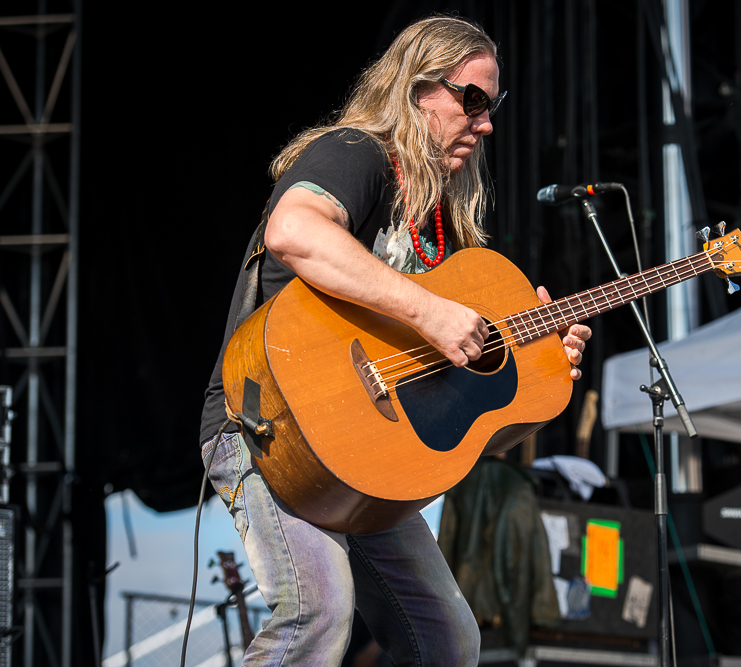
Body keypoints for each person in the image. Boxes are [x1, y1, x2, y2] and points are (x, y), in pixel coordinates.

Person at [199, 15, 592, 666]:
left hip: (363, 458)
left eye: (492, 107)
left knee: (449, 639)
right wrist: (432, 312)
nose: (485, 122)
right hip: (269, 424)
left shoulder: (445, 230)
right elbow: (294, 230)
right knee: (316, 613)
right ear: (416, 87)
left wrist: (537, 360)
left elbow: (464, 415)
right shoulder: (356, 154)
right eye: (471, 99)